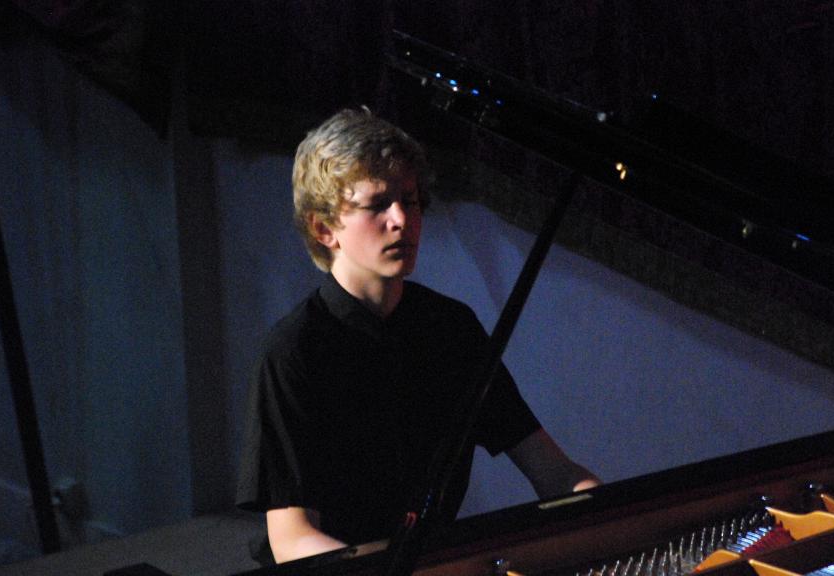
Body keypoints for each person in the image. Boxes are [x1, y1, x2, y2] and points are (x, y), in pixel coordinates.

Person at [236, 108, 599, 565]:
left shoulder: (451, 329)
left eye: (409, 200)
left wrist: (622, 525)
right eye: (378, 205)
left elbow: (553, 472)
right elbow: (292, 539)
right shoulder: (294, 353)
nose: (402, 220)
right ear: (324, 228)